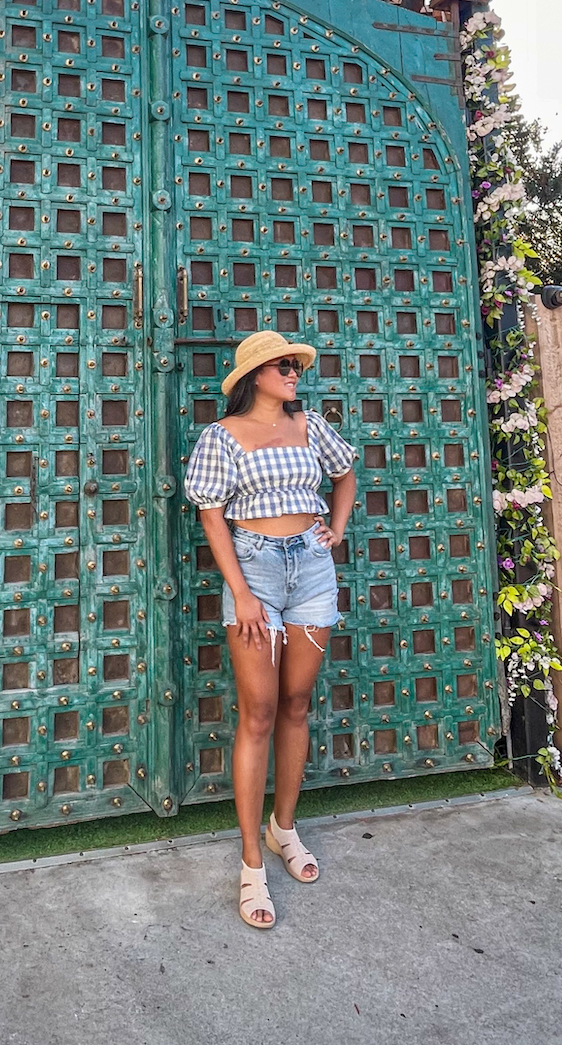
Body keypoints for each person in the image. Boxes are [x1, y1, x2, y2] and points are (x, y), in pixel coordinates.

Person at [183, 329, 357, 930]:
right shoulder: (221, 437)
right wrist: (241, 593)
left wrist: (334, 530)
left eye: (294, 364)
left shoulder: (310, 426)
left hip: (311, 569)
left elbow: (346, 475)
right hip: (254, 569)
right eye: (281, 365)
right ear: (253, 376)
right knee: (257, 713)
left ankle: (285, 828)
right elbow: (211, 517)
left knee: (297, 704)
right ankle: (251, 860)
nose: (292, 372)